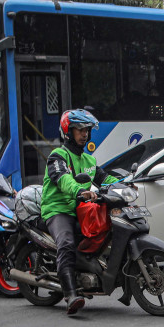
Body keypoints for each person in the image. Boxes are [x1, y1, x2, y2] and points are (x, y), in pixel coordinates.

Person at [40, 108, 118, 315]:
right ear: (68, 131)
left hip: (79, 210)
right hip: (58, 210)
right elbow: (63, 179)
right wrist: (80, 190)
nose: (84, 134)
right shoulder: (57, 156)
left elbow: (104, 178)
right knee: (66, 243)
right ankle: (71, 294)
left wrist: (126, 182)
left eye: (87, 130)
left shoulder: (88, 160)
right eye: (79, 130)